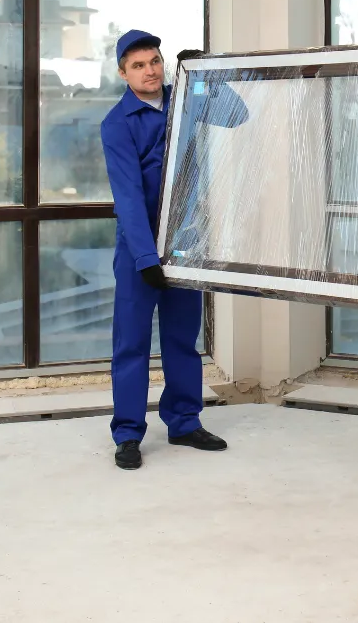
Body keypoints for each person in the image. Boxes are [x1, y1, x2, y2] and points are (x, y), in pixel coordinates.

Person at [101, 29, 247, 471]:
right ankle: (127, 434)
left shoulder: (187, 98)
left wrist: (210, 76)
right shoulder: (117, 124)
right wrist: (146, 260)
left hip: (184, 245)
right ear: (124, 74)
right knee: (132, 344)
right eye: (139, 66)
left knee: (183, 340)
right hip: (139, 251)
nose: (150, 71)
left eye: (155, 62)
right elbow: (126, 198)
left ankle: (184, 423)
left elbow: (238, 116)